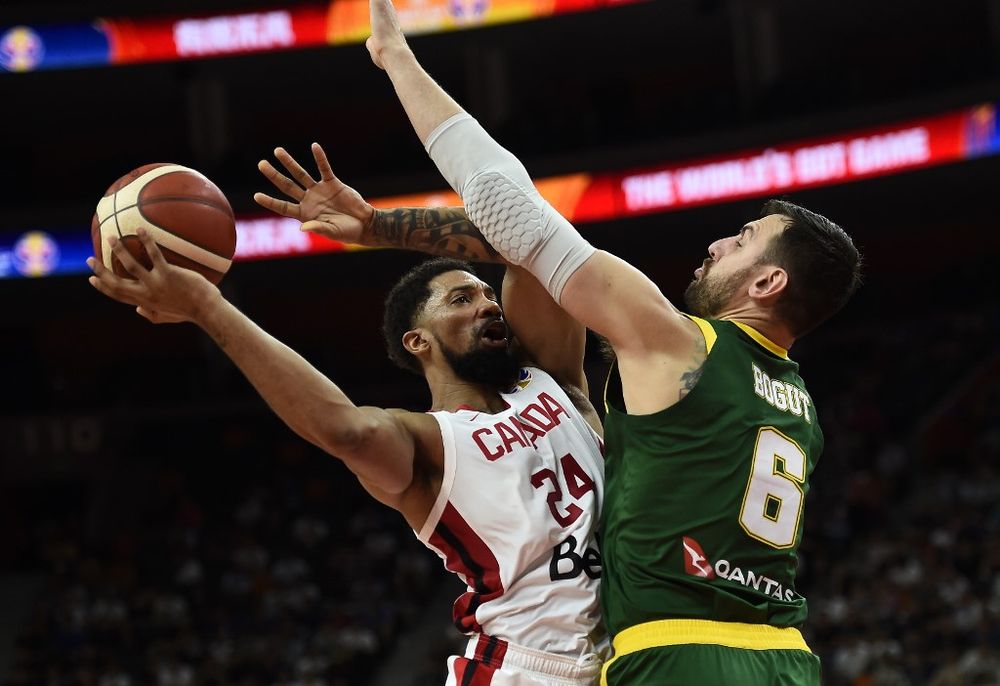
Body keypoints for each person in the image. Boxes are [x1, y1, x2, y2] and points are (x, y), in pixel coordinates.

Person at [336, 1, 864, 683]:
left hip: (679, 652)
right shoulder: (797, 402)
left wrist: (398, 62)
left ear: (765, 281)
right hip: (788, 659)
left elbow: (508, 206)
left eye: (740, 241)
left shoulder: (678, 344)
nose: (716, 243)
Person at [86, 216, 608, 683]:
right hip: (525, 667)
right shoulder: (427, 440)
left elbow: (529, 234)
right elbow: (346, 431)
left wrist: (378, 226)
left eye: (485, 294)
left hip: (624, 652)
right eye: (460, 299)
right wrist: (207, 305)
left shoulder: (551, 379)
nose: (488, 304)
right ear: (417, 342)